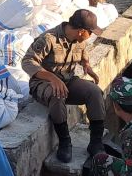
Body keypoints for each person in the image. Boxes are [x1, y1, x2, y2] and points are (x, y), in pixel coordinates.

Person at [21, 9, 106, 164]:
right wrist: (52, 78)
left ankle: (96, 142)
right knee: (57, 94)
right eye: (90, 32)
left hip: (68, 81)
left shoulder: (80, 41)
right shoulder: (49, 39)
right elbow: (27, 62)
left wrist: (87, 66)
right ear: (81, 31)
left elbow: (82, 53)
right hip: (43, 83)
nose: (91, 36)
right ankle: (65, 142)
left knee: (94, 92)